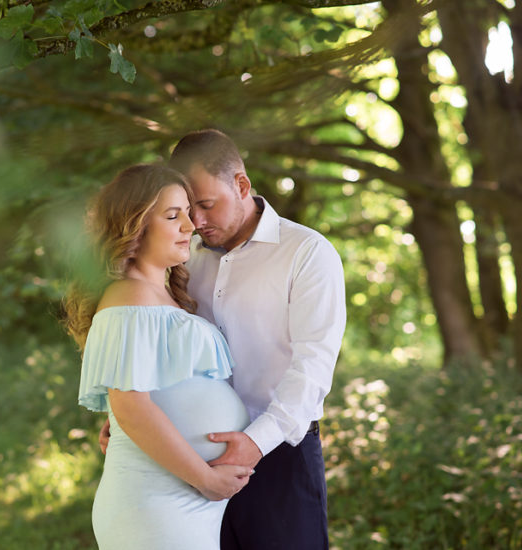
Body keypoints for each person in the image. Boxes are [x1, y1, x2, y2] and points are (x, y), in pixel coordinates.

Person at [168, 129, 347, 549]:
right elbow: (165, 350)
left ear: (242, 185)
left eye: (207, 205)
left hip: (280, 454)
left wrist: (256, 442)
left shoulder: (307, 253)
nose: (197, 221)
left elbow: (313, 366)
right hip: (194, 456)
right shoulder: (184, 259)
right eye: (187, 209)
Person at [65, 163, 254, 550]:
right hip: (156, 503)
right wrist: (204, 477)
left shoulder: (161, 296)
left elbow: (149, 387)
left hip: (179, 501)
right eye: (173, 215)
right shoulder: (129, 296)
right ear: (134, 227)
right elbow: (131, 406)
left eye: (188, 212)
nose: (190, 225)